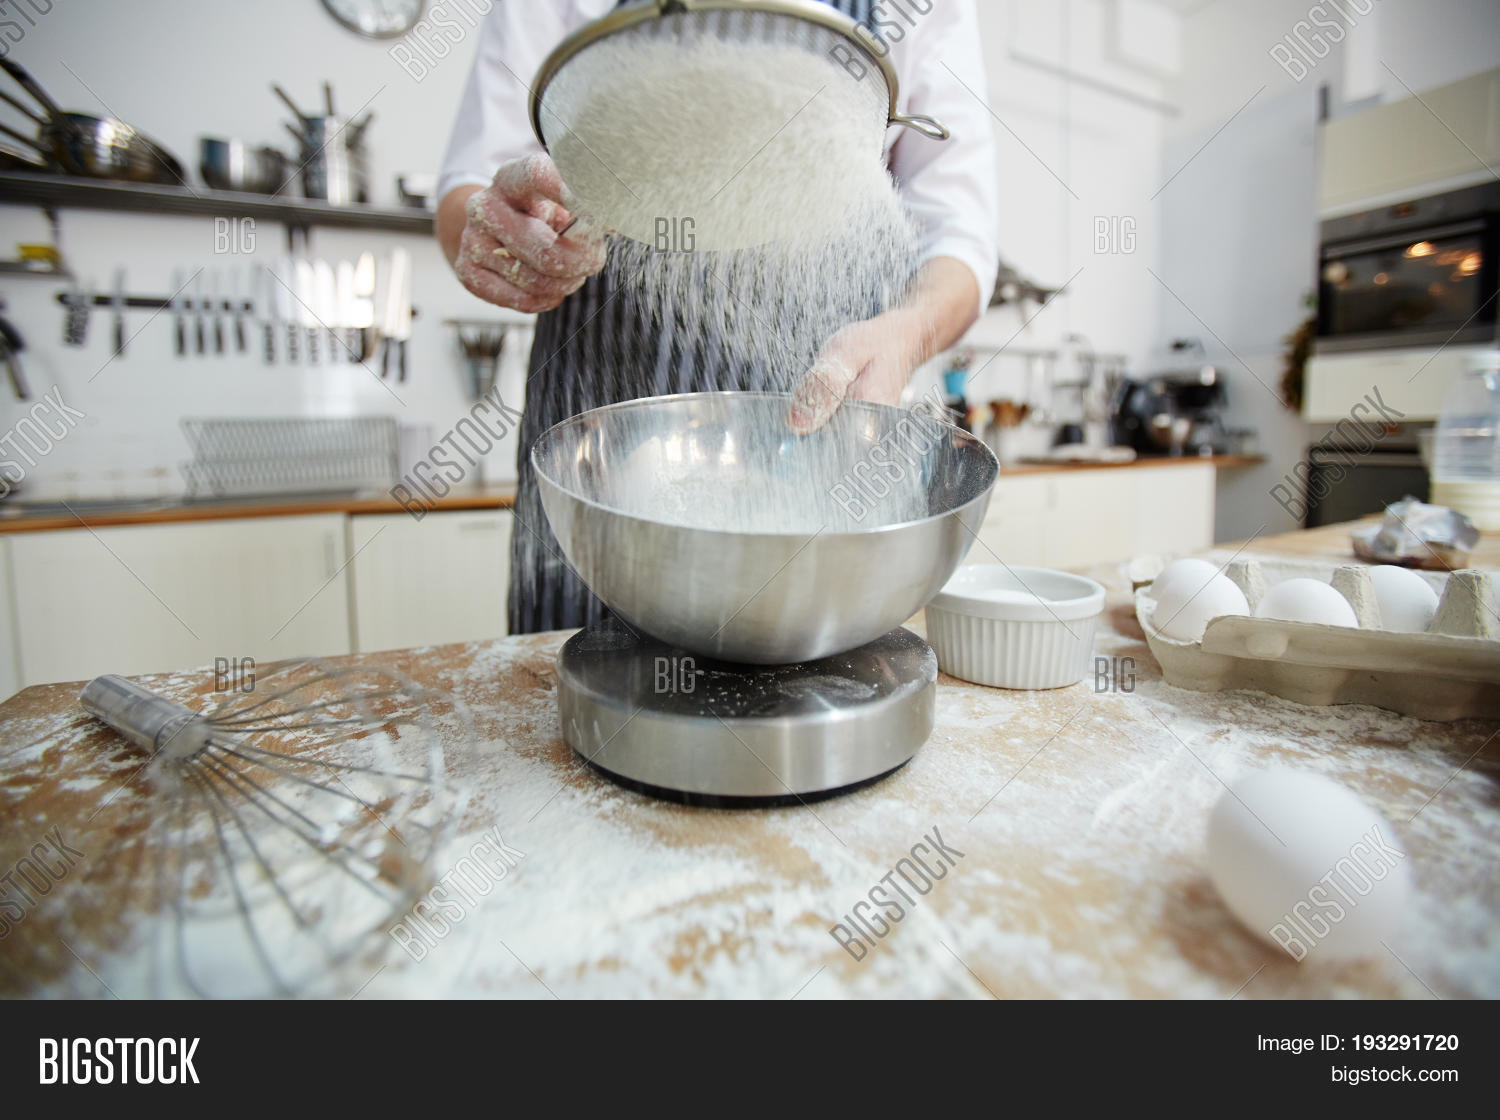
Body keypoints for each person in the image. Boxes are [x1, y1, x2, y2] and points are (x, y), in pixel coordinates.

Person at [437, 0, 998, 634]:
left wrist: (906, 331)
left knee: (811, 659)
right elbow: (468, 188)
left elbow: (960, 238)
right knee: (570, 697)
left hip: (820, 426)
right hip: (598, 455)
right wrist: (501, 232)